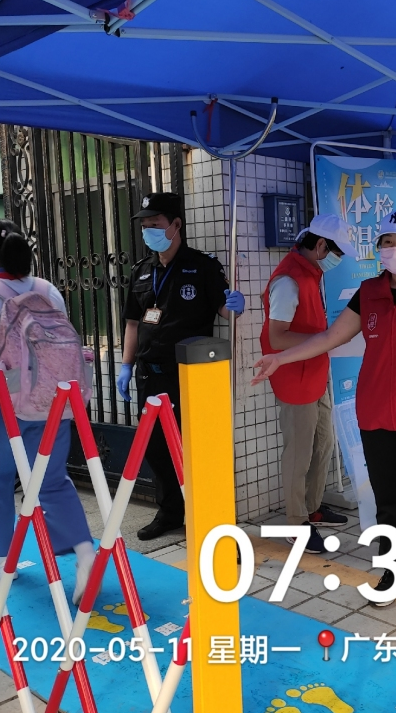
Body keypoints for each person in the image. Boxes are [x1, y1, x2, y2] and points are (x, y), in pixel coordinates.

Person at [254, 209, 396, 624]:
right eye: (387, 241)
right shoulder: (368, 291)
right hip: (375, 413)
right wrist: (280, 358)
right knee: (386, 501)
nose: (394, 249)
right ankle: (394, 572)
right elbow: (329, 337)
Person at [0, 219, 95, 603]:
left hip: (4, 403)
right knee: (52, 480)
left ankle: (2, 561)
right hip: (53, 400)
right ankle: (85, 552)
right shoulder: (47, 290)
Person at [118, 192, 246, 540]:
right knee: (157, 447)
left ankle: (210, 520)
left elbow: (224, 311)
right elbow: (133, 322)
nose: (148, 231)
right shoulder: (141, 271)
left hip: (190, 377)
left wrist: (236, 305)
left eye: (155, 224)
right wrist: (126, 366)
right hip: (150, 375)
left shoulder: (202, 266)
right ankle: (171, 512)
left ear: (176, 225)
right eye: (144, 225)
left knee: (199, 449)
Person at [260, 215, 353, 554]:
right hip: (294, 377)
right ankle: (296, 522)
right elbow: (277, 337)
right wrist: (326, 339)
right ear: (321, 245)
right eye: (336, 253)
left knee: (323, 442)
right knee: (299, 452)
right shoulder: (289, 280)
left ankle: (312, 507)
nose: (337, 260)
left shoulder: (310, 272)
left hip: (313, 371)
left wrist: (325, 342)